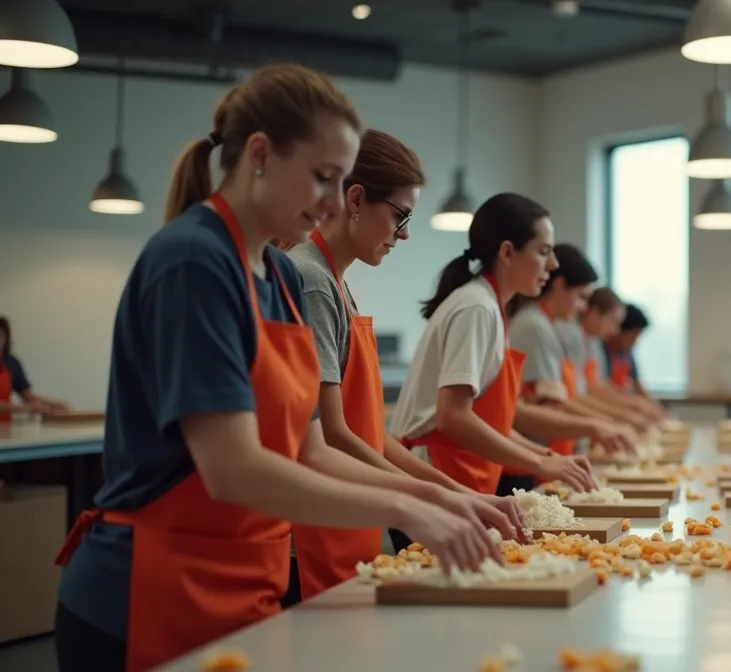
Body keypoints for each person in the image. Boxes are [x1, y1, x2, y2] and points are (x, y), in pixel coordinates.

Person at [51, 65, 505, 672]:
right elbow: (232, 470)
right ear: (260, 154)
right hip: (147, 595)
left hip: (244, 584)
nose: (335, 202)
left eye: (342, 182)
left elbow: (310, 450)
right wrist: (406, 509)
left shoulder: (283, 276)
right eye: (322, 177)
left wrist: (437, 498)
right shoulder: (193, 260)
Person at [282, 130, 528, 603]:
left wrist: (456, 492)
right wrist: (429, 498)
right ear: (356, 200)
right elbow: (333, 434)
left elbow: (371, 436)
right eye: (401, 216)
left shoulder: (335, 282)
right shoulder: (310, 278)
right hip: (316, 527)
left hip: (352, 515)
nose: (405, 233)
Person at [390, 193, 598, 497]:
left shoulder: (489, 305)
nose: (553, 264)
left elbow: (493, 423)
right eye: (543, 252)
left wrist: (548, 457)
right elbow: (452, 416)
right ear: (508, 252)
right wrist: (539, 462)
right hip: (433, 478)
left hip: (460, 477)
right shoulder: (476, 307)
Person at [498, 244, 635, 494]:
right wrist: (599, 424)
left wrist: (608, 421)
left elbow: (559, 397)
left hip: (543, 455)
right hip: (526, 460)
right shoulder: (533, 326)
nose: (583, 307)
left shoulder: (547, 326)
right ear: (559, 285)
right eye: (581, 297)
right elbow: (541, 405)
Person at [562, 288, 660, 426]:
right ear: (594, 313)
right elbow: (577, 394)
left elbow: (597, 386)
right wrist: (621, 415)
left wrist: (634, 408)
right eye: (612, 321)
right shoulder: (570, 336)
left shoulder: (592, 343)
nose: (614, 330)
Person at [0, 316, 71, 420]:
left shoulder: (11, 363)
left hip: (5, 427)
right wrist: (23, 408)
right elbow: (25, 406)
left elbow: (27, 395)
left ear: (6, 339)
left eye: (1, 336)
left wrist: (53, 404)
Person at [603, 303, 653, 399]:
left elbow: (638, 385)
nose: (635, 342)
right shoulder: (601, 350)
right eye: (634, 336)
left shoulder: (628, 353)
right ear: (620, 330)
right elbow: (602, 388)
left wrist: (654, 405)